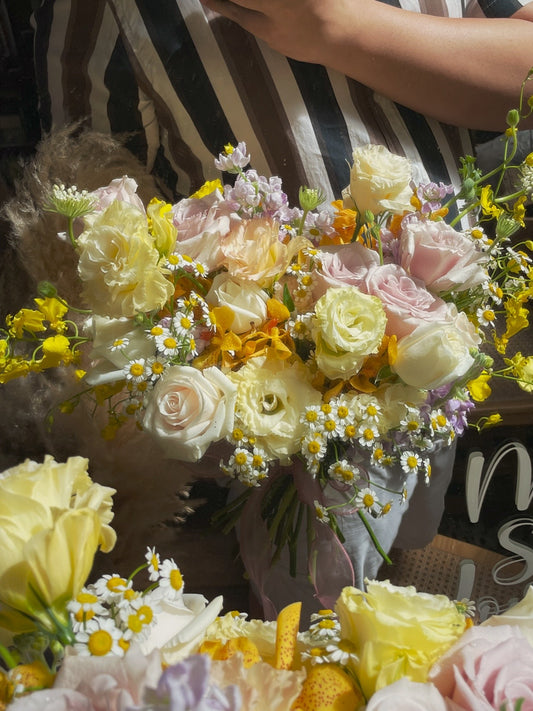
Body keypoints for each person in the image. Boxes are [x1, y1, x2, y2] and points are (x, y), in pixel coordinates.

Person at [28, 0, 532, 616]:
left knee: (405, 562)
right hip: (262, 418)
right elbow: (87, 206)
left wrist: (338, 27)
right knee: (304, 622)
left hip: (446, 364)